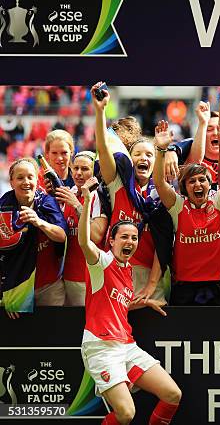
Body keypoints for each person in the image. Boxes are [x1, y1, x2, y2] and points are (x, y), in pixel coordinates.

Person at [78, 178, 181, 425]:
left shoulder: (128, 271)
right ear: (111, 241)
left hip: (126, 345)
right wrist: (86, 201)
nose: (130, 242)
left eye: (134, 238)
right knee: (126, 414)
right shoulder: (101, 263)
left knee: (172, 394)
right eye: (124, 237)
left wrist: (143, 303)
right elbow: (84, 241)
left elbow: (118, 304)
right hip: (101, 347)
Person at [152, 117, 220, 305]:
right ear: (184, 187)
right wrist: (161, 150)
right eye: (192, 181)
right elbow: (159, 182)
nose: (197, 184)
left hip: (215, 286)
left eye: (202, 180)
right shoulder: (178, 206)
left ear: (210, 184)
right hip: (184, 288)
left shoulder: (218, 203)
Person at [91, 82, 165, 302]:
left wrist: (152, 283)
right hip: (116, 271)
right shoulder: (119, 187)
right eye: (138, 154)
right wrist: (100, 111)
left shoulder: (162, 195)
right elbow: (104, 150)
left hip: (151, 277)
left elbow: (164, 242)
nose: (143, 158)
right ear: (129, 162)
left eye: (149, 155)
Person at [0, 158, 67, 315]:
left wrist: (39, 222)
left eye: (30, 177)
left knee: (55, 335)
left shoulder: (47, 202)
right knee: (20, 337)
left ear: (37, 179)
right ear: (11, 182)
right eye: (20, 177)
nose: (26, 182)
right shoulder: (3, 207)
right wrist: (8, 291)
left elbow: (62, 236)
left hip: (49, 286)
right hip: (17, 286)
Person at [55, 152, 108, 306]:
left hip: (88, 279)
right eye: (75, 168)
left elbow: (96, 236)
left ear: (94, 172)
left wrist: (77, 206)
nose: (78, 173)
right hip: (65, 278)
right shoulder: (69, 193)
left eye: (85, 169)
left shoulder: (99, 196)